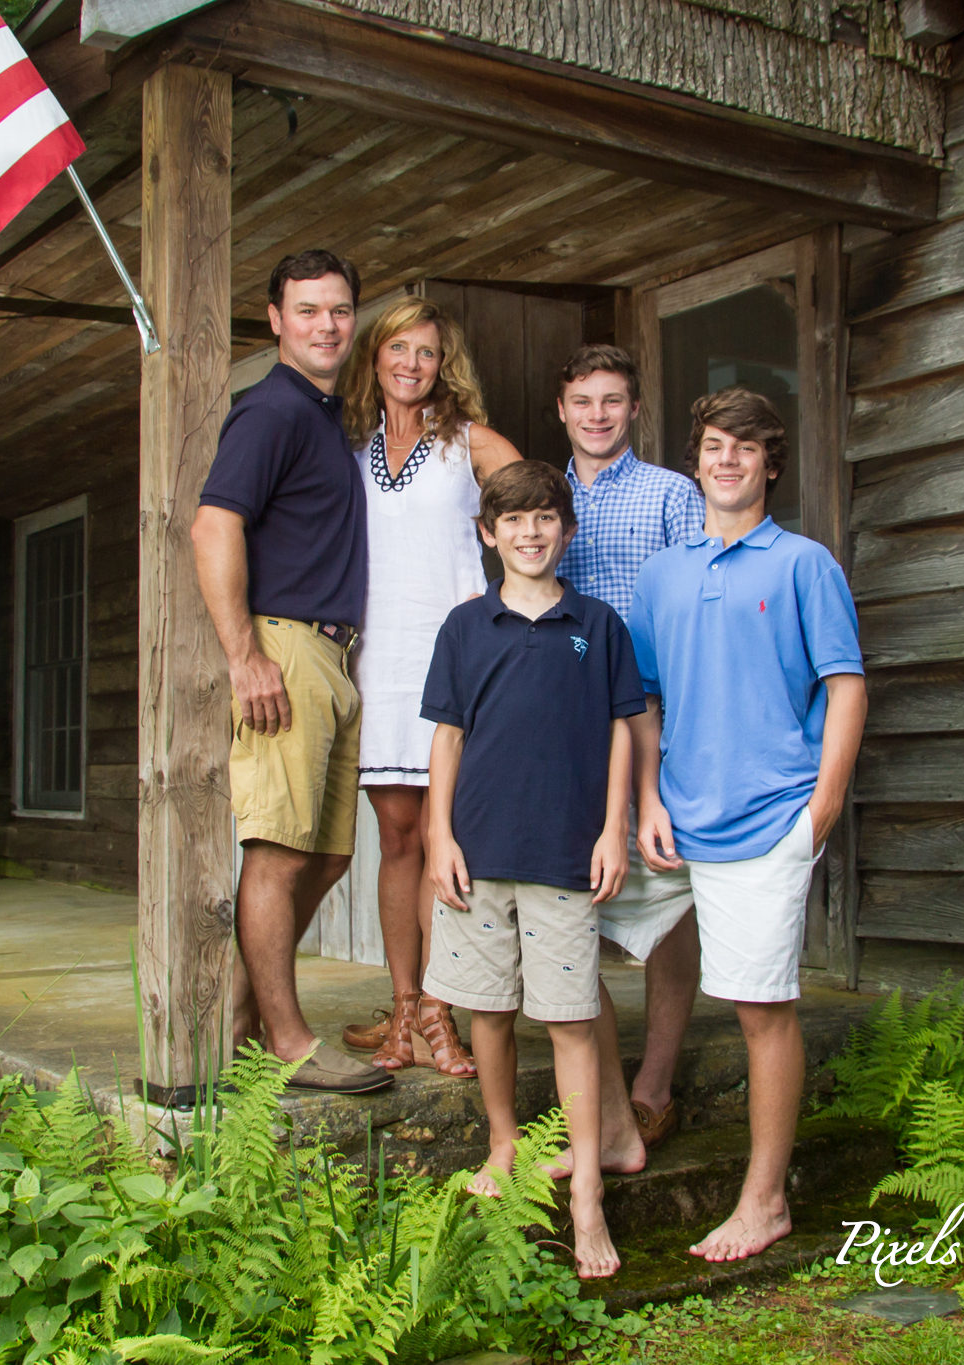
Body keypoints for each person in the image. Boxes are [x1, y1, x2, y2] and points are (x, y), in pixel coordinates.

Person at [628, 387, 866, 1262]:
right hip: (673, 817)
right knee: (563, 932)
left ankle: (763, 1199)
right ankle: (611, 1131)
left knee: (760, 1007)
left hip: (770, 816)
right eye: (715, 445)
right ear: (696, 461)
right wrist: (648, 797)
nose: (728, 459)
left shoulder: (805, 564)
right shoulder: (664, 574)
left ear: (771, 462)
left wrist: (821, 806)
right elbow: (645, 699)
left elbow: (846, 686)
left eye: (746, 447)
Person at [419, 459, 641, 1279]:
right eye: (513, 520)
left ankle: (586, 1187)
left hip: (564, 850)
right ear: (489, 533)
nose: (531, 531)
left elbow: (624, 726)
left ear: (567, 530)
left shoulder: (599, 623)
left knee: (572, 1016)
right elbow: (446, 737)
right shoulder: (465, 627)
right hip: (479, 849)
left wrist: (613, 828)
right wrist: (440, 835)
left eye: (545, 517)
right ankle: (504, 1141)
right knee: (488, 1006)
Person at [190, 248, 392, 1095]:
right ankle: (286, 1037)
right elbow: (211, 526)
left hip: (335, 656)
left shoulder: (322, 415)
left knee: (329, 854)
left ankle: (242, 1015)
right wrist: (246, 657)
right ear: (275, 319)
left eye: (340, 309)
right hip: (286, 648)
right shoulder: (270, 410)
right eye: (307, 310)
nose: (327, 324)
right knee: (276, 852)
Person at [334, 297, 522, 1078]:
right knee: (398, 838)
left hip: (455, 662)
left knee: (452, 836)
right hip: (380, 657)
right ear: (374, 358)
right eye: (398, 349)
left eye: (427, 352)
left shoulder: (470, 444)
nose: (412, 364)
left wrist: (511, 617)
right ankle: (405, 1010)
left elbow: (533, 513)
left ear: (445, 364)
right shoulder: (353, 453)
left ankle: (444, 1008)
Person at [549, 345, 707, 1167]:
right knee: (569, 895)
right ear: (563, 410)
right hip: (570, 724)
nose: (598, 414)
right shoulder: (545, 499)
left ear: (634, 409)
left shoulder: (673, 495)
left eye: (613, 400)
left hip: (661, 712)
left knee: (666, 888)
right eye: (584, 401)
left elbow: (698, 601)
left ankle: (653, 1083)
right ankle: (602, 1100)